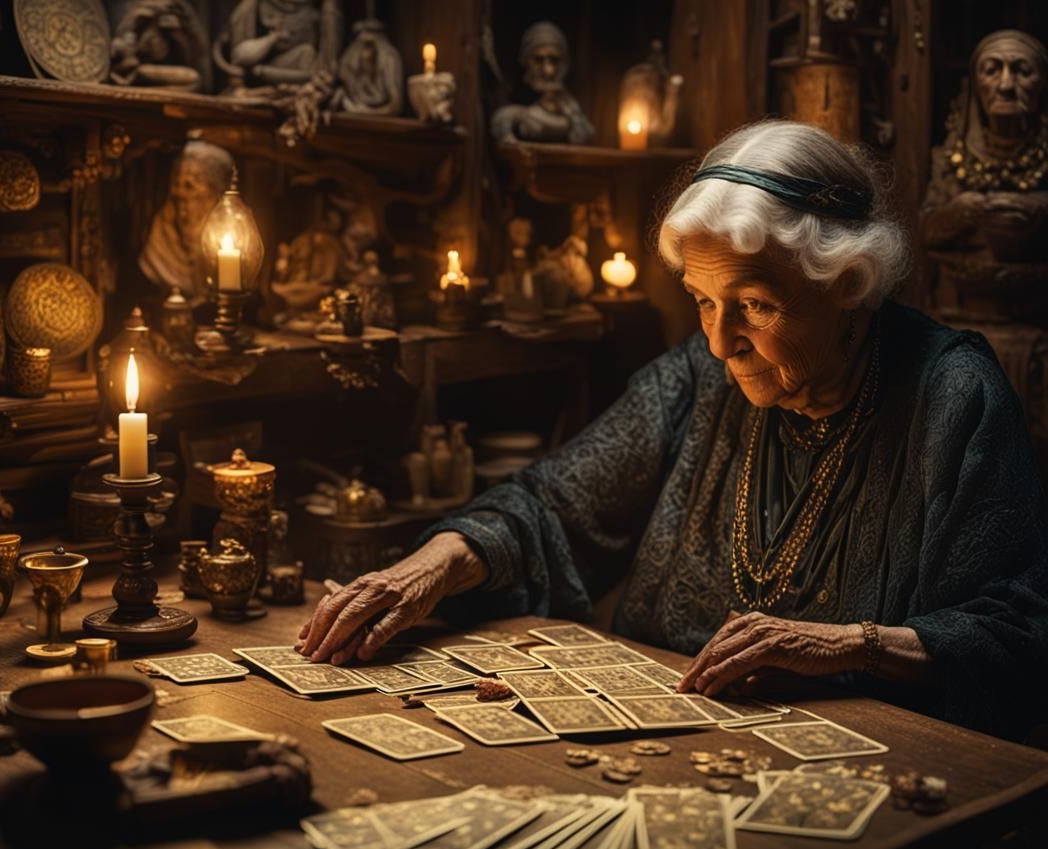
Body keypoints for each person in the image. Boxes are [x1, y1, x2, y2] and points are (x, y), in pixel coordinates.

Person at [296, 120, 1048, 740]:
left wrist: (854, 644)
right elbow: (552, 502)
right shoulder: (697, 375)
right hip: (666, 748)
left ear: (846, 287)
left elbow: (1018, 638)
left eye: (755, 305)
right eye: (702, 300)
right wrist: (427, 568)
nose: (721, 343)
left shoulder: (952, 396)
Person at [921, 30, 1048, 262]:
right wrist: (961, 211)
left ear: (1042, 84)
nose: (1006, 85)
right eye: (991, 71)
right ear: (976, 86)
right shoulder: (952, 156)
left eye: (1023, 71)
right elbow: (926, 232)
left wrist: (1038, 208)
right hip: (962, 291)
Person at [139, 140, 234, 298]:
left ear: (214, 195)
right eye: (177, 185)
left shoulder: (231, 243)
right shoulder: (160, 239)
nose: (180, 195)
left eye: (190, 186)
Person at [491, 21, 594, 145]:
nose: (548, 71)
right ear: (525, 59)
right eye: (539, 60)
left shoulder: (567, 104)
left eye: (554, 60)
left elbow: (584, 133)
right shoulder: (510, 98)